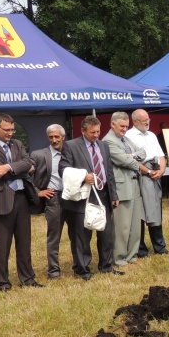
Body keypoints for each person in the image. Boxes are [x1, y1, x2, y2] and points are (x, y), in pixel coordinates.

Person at [0, 112, 41, 291]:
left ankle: (27, 278)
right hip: (1, 199)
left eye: (12, 129)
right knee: (2, 244)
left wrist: (7, 167)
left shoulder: (18, 144)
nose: (10, 133)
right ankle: (3, 282)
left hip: (22, 197)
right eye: (6, 130)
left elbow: (29, 162)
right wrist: (20, 168)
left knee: (24, 242)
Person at [59, 116, 122, 280]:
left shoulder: (103, 145)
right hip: (82, 196)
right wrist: (82, 177)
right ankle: (82, 269)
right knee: (82, 235)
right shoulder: (71, 146)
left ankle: (106, 265)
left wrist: (113, 194)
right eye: (92, 132)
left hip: (103, 194)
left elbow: (109, 172)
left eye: (98, 131)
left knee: (107, 233)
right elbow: (63, 169)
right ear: (83, 131)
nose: (96, 135)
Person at [102, 111, 145, 266]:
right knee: (122, 227)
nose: (125, 129)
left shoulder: (125, 139)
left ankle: (132, 256)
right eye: (122, 126)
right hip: (121, 188)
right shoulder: (108, 141)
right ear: (112, 124)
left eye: (127, 126)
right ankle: (119, 258)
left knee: (135, 225)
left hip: (134, 185)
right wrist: (133, 157)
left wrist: (131, 157)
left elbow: (143, 153)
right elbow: (126, 161)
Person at [126, 109, 168, 256]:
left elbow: (161, 155)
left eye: (148, 119)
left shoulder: (151, 135)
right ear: (135, 121)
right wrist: (148, 172)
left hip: (155, 174)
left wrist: (162, 170)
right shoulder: (128, 136)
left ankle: (160, 246)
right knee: (141, 213)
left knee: (155, 210)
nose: (147, 122)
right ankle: (141, 249)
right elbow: (131, 161)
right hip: (141, 175)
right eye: (144, 120)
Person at [31, 124, 69, 279]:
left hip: (73, 197)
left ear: (63, 137)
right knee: (54, 236)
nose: (54, 140)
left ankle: (80, 266)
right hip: (54, 198)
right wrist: (37, 191)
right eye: (51, 137)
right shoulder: (39, 155)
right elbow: (25, 174)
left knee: (77, 234)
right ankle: (54, 270)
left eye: (57, 137)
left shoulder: (71, 152)